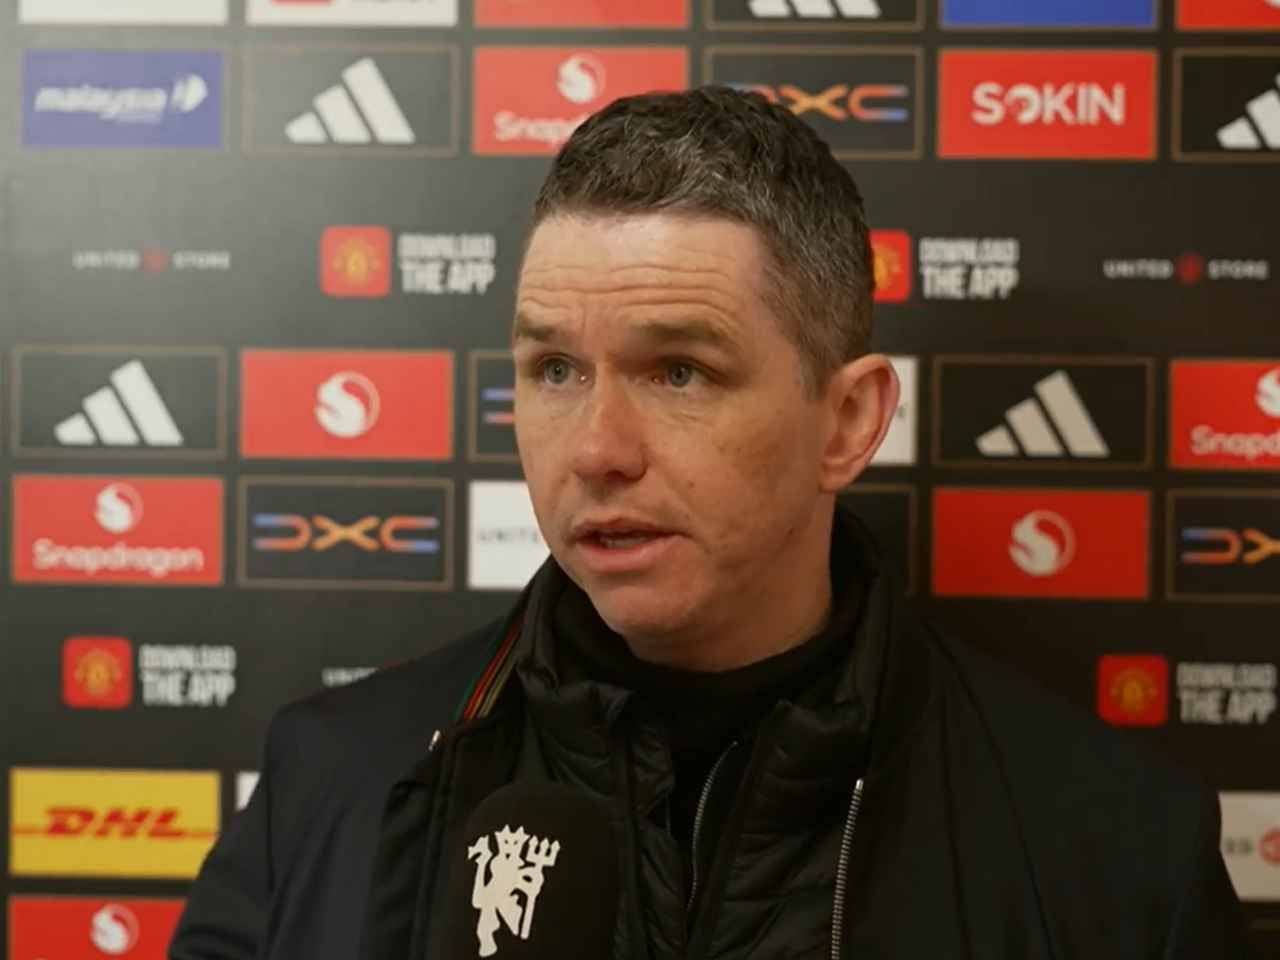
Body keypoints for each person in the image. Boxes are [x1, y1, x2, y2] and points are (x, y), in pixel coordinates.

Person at [170, 87, 1254, 959]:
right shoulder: (331, 780)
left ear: (847, 421)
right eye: (555, 368)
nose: (596, 449)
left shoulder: (1114, 846)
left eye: (678, 370)